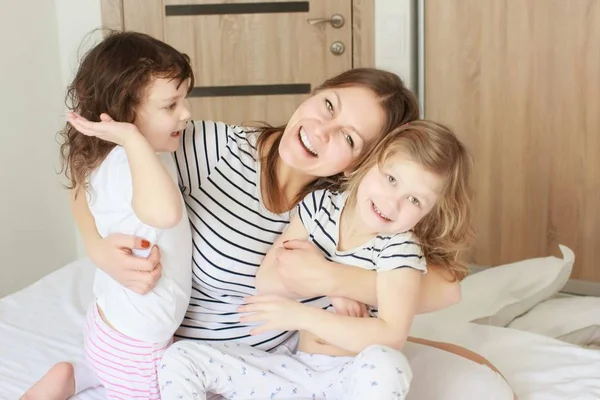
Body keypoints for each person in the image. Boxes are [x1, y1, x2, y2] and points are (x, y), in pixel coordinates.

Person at [73, 67, 515, 399]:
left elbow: (446, 288)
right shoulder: (210, 149)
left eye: (348, 137)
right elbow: (93, 162)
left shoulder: (355, 205)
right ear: (315, 92)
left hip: (290, 363)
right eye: (328, 106)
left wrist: (331, 279)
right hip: (204, 363)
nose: (321, 131)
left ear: (365, 163)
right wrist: (97, 249)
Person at [157, 120, 473, 399]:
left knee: (388, 364)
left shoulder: (399, 249)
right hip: (295, 371)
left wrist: (302, 316)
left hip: (349, 378)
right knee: (180, 358)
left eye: (415, 200)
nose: (392, 203)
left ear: (429, 213)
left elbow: (390, 334)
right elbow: (268, 279)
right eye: (391, 179)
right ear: (373, 161)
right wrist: (332, 284)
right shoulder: (320, 206)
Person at [21, 31, 194, 400]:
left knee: (106, 372)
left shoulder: (106, 156)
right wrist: (133, 140)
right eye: (171, 105)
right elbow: (165, 213)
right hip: (139, 346)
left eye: (185, 99)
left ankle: (70, 377)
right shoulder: (126, 161)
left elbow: (79, 193)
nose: (187, 113)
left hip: (108, 326)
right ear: (124, 115)